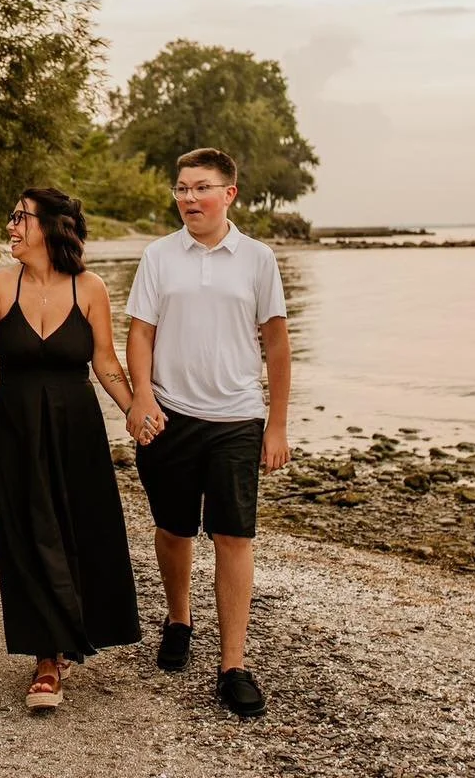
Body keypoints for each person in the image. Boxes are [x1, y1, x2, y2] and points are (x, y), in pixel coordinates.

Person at [124, 147, 291, 718]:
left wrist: (277, 424)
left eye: (200, 188)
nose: (188, 198)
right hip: (170, 414)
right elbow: (141, 333)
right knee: (173, 529)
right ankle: (178, 620)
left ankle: (233, 664)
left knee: (233, 536)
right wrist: (142, 396)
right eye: (181, 188)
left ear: (229, 194)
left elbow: (276, 344)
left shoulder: (258, 259)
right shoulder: (158, 256)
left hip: (237, 419)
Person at [0, 188, 141, 711]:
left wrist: (136, 410)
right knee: (25, 533)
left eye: (20, 218)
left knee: (76, 529)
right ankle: (45, 657)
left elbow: (106, 362)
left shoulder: (91, 287)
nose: (11, 226)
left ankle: (71, 633)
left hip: (76, 426)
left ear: (50, 227)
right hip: (13, 424)